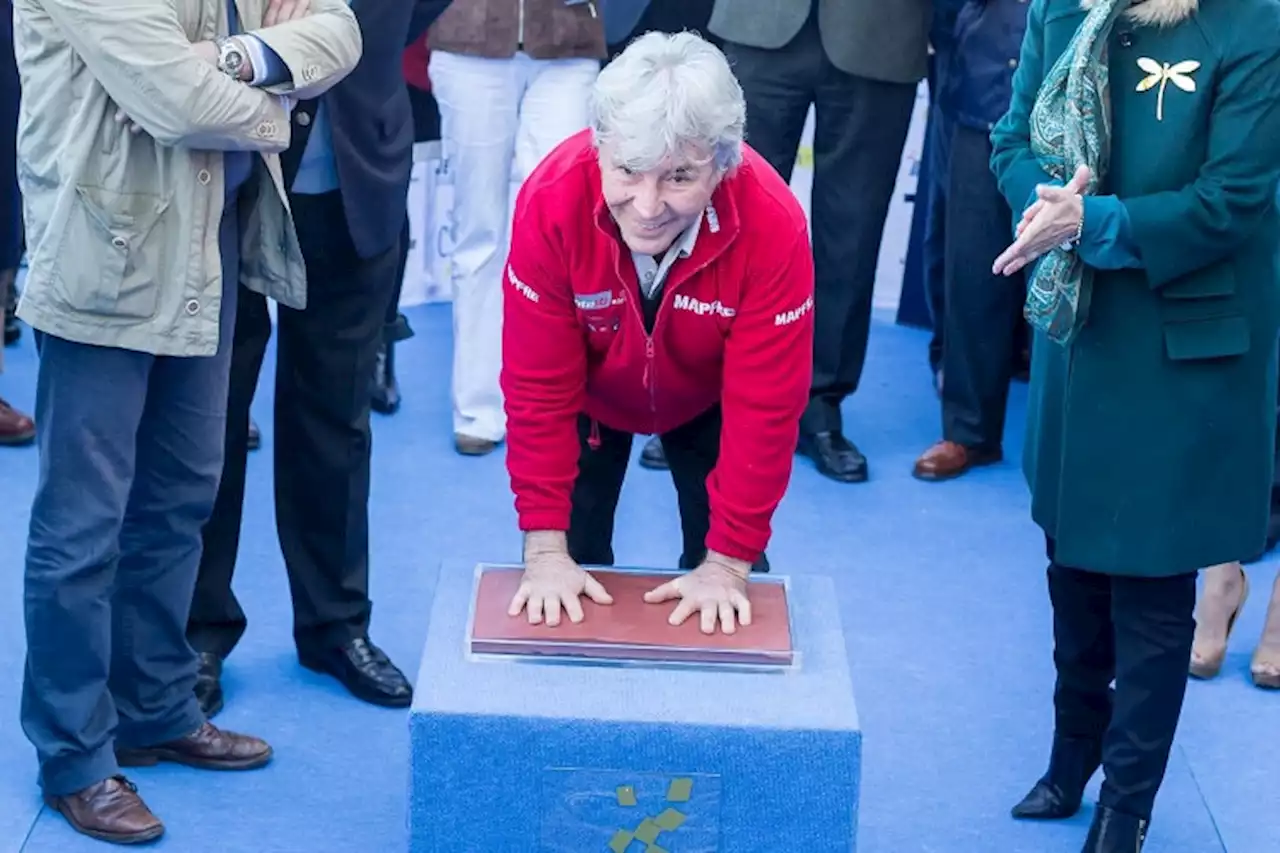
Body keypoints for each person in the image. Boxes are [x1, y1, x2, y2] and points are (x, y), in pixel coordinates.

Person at [14, 0, 361, 842]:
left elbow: (340, 32)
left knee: (178, 503)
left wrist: (234, 58)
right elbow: (179, 104)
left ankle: (156, 707)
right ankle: (76, 759)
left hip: (208, 254)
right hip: (105, 263)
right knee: (82, 527)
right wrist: (276, 98)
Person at [989, 0, 1280, 850]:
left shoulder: (1252, 21)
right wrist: (1044, 208)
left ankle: (1128, 803)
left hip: (1180, 343)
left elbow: (1233, 200)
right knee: (1069, 564)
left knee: (1153, 587)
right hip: (1078, 341)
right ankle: (1069, 753)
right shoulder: (1062, 7)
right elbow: (1012, 140)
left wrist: (1094, 223)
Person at [188, 0, 453, 719]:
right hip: (225, 173)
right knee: (209, 418)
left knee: (336, 417)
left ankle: (336, 626)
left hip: (356, 170)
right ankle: (195, 632)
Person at [500, 31, 814, 636]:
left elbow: (766, 410)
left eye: (678, 177)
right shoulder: (551, 200)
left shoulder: (773, 224)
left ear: (724, 163)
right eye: (628, 170)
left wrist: (726, 564)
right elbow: (537, 391)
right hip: (590, 401)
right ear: (600, 146)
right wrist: (544, 550)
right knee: (566, 575)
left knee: (728, 593)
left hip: (710, 398)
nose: (646, 207)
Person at [708, 0, 932, 484]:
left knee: (852, 232)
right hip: (759, 24)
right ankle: (706, 398)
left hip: (878, 33)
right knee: (727, 221)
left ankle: (820, 406)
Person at [428, 0, 607, 457]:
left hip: (569, 43)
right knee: (478, 231)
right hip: (468, 40)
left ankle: (554, 401)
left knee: (558, 230)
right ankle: (477, 407)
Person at [912, 0, 1031, 481]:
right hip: (981, 75)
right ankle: (969, 431)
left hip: (1086, 92)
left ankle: (1081, 441)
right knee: (975, 264)